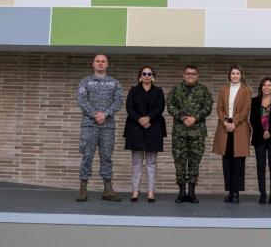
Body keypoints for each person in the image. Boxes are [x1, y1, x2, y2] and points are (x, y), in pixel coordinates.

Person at [76, 54, 123, 202]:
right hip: (89, 125)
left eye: (103, 61)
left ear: (107, 64)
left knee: (106, 157)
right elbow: (81, 100)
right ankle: (83, 189)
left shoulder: (115, 83)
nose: (100, 64)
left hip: (108, 127)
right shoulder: (85, 81)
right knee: (87, 156)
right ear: (93, 64)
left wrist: (106, 114)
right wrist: (94, 114)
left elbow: (118, 102)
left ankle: (107, 189)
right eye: (98, 61)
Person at [167, 64, 213, 203]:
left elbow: (208, 107)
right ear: (183, 75)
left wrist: (195, 117)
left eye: (193, 73)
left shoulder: (203, 90)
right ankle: (181, 192)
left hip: (197, 133)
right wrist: (182, 117)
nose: (190, 75)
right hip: (179, 133)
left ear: (197, 75)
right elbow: (169, 105)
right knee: (180, 162)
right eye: (188, 73)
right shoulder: (176, 90)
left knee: (194, 163)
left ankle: (192, 192)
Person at [123, 65, 166, 203]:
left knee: (151, 162)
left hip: (154, 128)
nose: (146, 76)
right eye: (144, 73)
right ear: (140, 76)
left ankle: (151, 191)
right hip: (135, 128)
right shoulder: (133, 91)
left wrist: (148, 118)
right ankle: (135, 191)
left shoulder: (158, 91)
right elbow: (129, 108)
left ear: (153, 76)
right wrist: (140, 119)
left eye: (149, 74)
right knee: (136, 162)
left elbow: (161, 107)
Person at [212, 65, 252, 204]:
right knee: (227, 162)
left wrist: (233, 122)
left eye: (237, 73)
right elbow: (220, 108)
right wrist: (225, 122)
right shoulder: (224, 89)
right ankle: (229, 192)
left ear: (241, 75)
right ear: (229, 75)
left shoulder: (246, 90)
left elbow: (246, 110)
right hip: (225, 129)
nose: (235, 75)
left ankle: (235, 193)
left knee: (238, 163)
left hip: (239, 128)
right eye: (233, 73)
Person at [249, 76, 271, 204]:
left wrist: (269, 132)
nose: (267, 87)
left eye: (269, 85)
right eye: (264, 85)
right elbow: (252, 119)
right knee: (260, 166)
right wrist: (263, 132)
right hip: (259, 137)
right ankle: (263, 194)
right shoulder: (254, 101)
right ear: (261, 87)